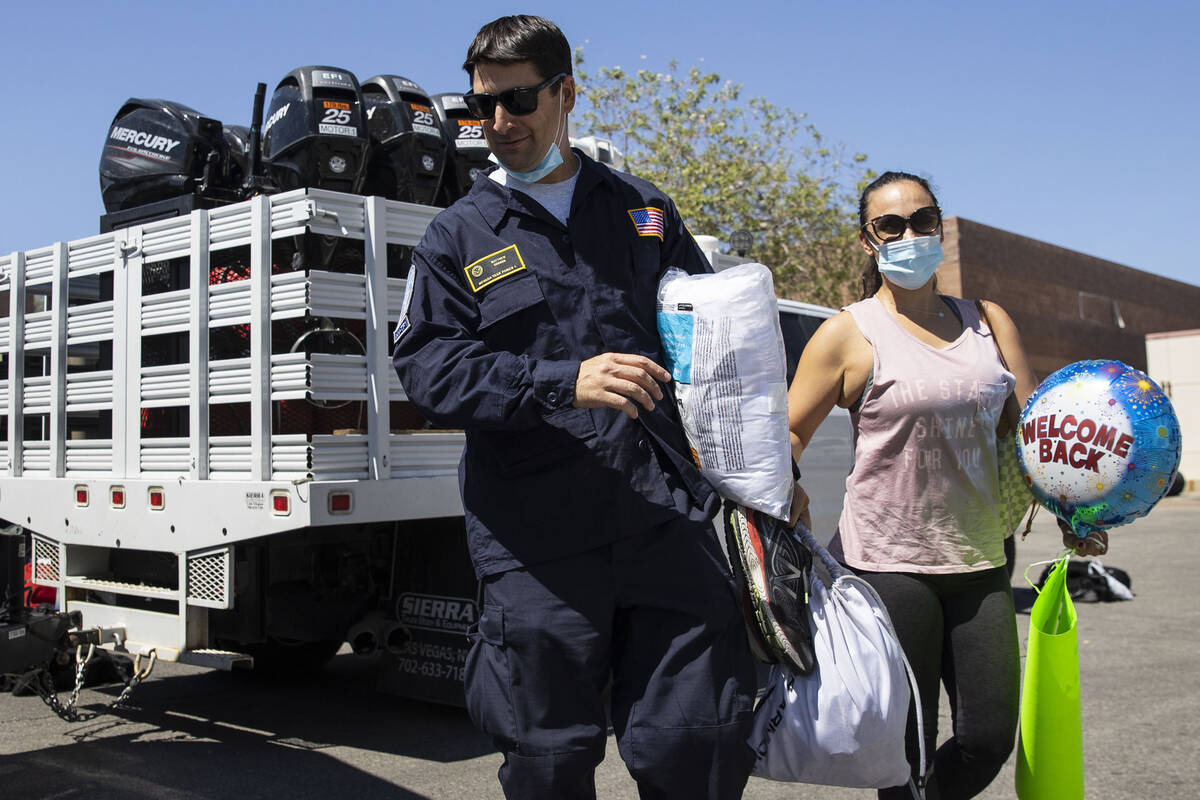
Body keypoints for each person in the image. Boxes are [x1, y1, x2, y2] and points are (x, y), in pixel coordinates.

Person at [391, 15, 756, 800]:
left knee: (697, 745)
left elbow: (710, 342)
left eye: (518, 100)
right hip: (537, 545)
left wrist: (760, 470)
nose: (497, 123)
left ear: (565, 94)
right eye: (478, 105)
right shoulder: (457, 237)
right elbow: (427, 369)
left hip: (661, 523)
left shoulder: (643, 211)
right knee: (548, 760)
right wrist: (562, 381)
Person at [785, 171, 1108, 799]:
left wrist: (1079, 509)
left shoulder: (988, 322)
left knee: (989, 737)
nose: (910, 235)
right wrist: (786, 488)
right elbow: (789, 433)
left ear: (939, 226)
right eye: (891, 225)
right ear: (868, 241)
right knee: (905, 752)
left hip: (982, 555)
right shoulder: (849, 332)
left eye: (923, 220)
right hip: (887, 563)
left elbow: (1032, 435)